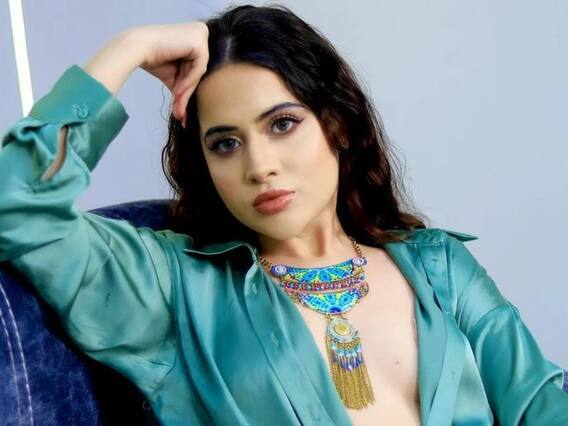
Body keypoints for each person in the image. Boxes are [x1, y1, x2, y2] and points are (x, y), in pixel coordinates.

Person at [0, 4, 566, 425]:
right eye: (225, 143)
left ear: (336, 126)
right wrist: (131, 47)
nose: (259, 166)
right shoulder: (173, 288)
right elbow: (15, 203)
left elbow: (541, 406)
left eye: (282, 124)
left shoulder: (440, 268)